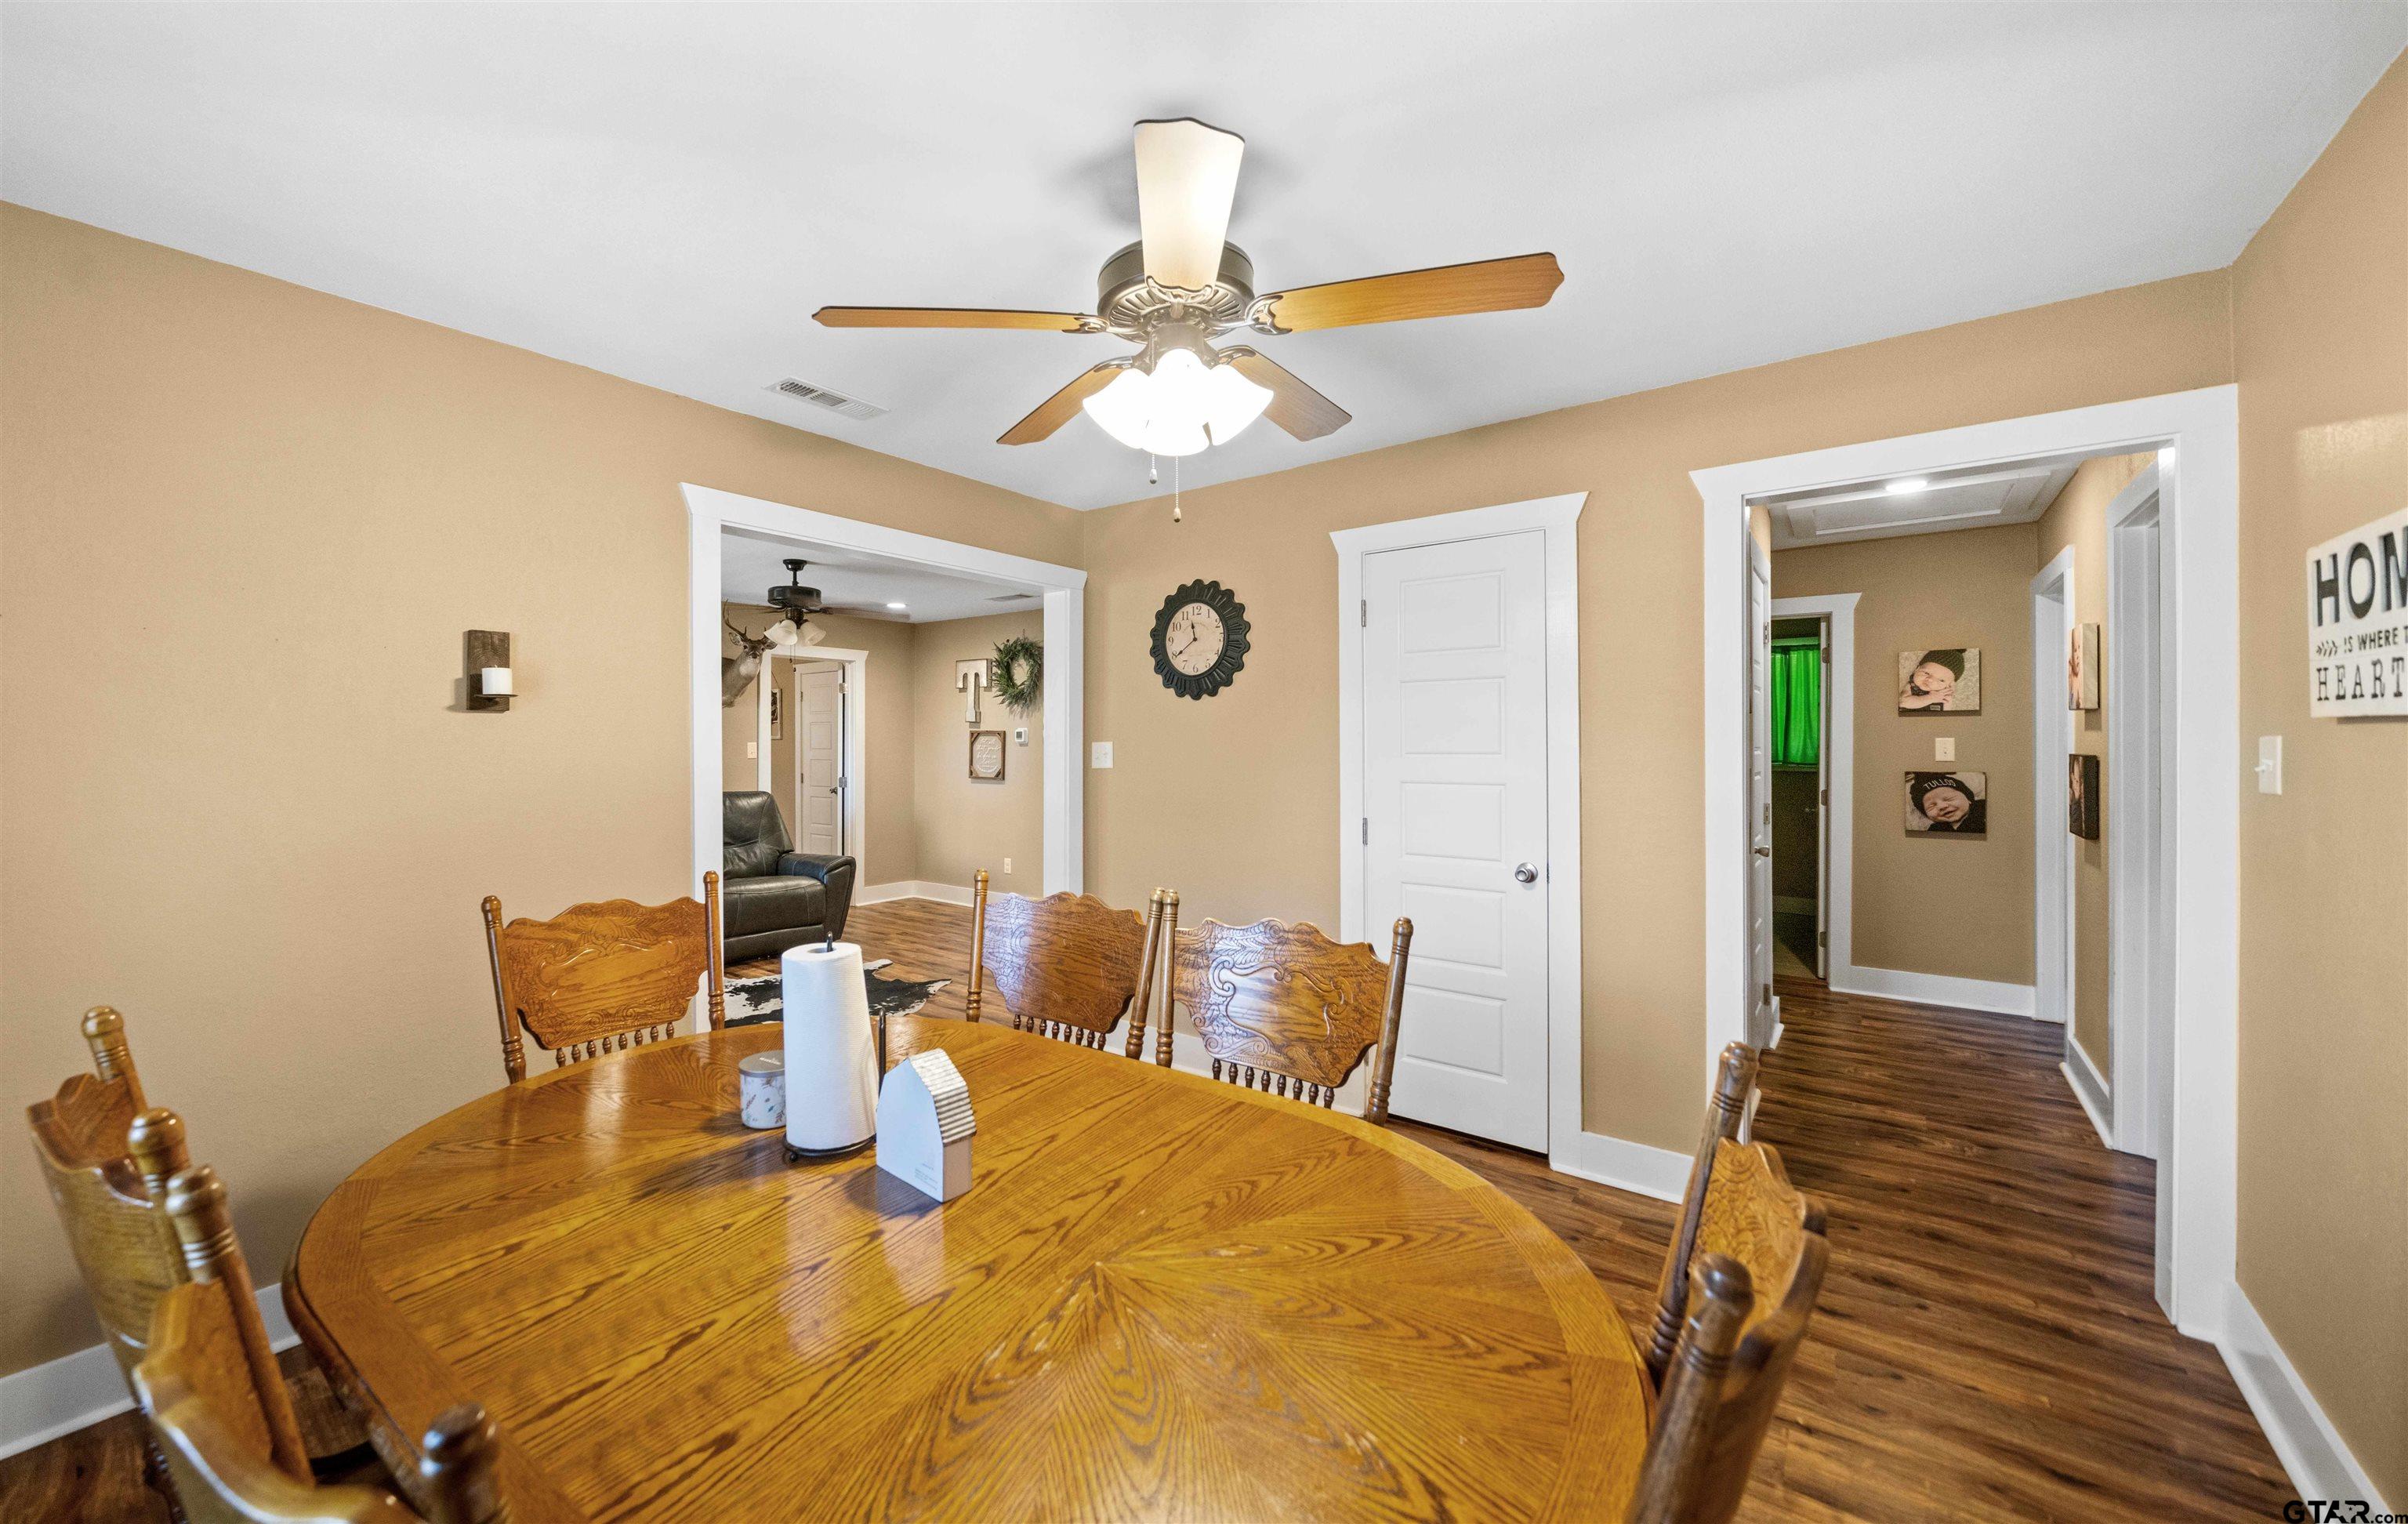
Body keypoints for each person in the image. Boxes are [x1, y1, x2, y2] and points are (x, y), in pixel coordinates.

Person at [1909, 772, 1986, 833]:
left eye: (1949, 799)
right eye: (1931, 806)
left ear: (1968, 799)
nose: (1942, 806)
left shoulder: (1983, 808)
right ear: (1927, 815)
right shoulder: (1936, 830)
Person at [1900, 649, 1964, 711]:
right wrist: (1931, 698)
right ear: (1917, 669)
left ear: (1950, 684)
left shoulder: (1944, 694)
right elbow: (1903, 703)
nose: (1930, 680)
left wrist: (1947, 701)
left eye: (1941, 680)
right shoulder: (1912, 685)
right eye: (1926, 673)